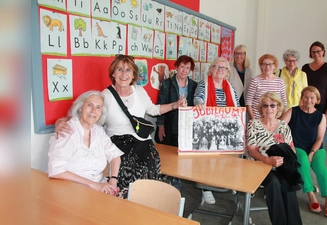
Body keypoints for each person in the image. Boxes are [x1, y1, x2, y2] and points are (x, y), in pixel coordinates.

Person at [54, 55, 187, 198]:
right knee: (128, 167)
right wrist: (60, 121)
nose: (124, 74)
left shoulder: (140, 92)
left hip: (142, 140)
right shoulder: (106, 95)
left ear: (133, 74)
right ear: (113, 73)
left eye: (128, 70)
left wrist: (175, 105)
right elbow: (90, 115)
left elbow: (153, 110)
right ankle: (126, 203)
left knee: (152, 163)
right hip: (118, 142)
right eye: (120, 69)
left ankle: (148, 202)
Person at [48, 91, 123, 196]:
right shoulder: (67, 130)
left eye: (98, 107)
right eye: (89, 105)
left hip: (98, 189)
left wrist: (113, 180)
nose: (93, 111)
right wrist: (92, 184)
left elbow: (115, 155)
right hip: (70, 191)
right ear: (80, 107)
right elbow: (55, 170)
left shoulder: (98, 131)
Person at [246, 92, 302, 225]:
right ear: (261, 108)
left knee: (288, 183)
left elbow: (291, 150)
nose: (269, 108)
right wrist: (267, 160)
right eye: (265, 105)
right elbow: (251, 150)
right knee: (274, 183)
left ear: (278, 108)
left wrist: (284, 161)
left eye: (272, 105)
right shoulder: (253, 124)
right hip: (259, 166)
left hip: (280, 167)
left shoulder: (283, 126)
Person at [280, 86, 327, 218]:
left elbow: (320, 138)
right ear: (301, 98)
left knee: (320, 167)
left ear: (317, 100)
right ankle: (311, 195)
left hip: (316, 148)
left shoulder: (320, 116)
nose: (308, 100)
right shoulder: (293, 111)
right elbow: (280, 125)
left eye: (312, 97)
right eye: (305, 97)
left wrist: (312, 153)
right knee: (303, 163)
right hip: (297, 146)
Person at [193, 57, 240, 204]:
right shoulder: (204, 84)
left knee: (226, 158)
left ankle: (223, 181)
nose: (220, 70)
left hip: (226, 128)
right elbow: (198, 97)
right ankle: (206, 189)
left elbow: (237, 105)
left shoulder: (229, 87)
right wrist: (199, 103)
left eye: (223, 68)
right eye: (216, 67)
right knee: (208, 159)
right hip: (208, 128)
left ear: (227, 72)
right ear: (211, 69)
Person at [155, 55, 198, 191]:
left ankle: (177, 178)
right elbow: (161, 104)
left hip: (186, 125)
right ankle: (168, 176)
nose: (184, 70)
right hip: (170, 122)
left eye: (187, 68)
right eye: (182, 67)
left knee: (181, 153)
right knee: (169, 151)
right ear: (177, 67)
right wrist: (160, 126)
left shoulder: (194, 85)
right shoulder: (167, 83)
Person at [246, 54, 287, 120]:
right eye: (264, 64)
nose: (267, 67)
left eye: (270, 64)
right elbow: (248, 103)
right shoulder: (255, 81)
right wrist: (253, 120)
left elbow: (284, 102)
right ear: (261, 66)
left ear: (274, 66)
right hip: (258, 120)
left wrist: (281, 120)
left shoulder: (280, 82)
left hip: (274, 121)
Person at [302, 41, 327, 120]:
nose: (316, 54)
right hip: (306, 103)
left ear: (323, 52)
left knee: (318, 129)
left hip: (321, 105)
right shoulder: (305, 68)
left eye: (318, 51)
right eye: (313, 52)